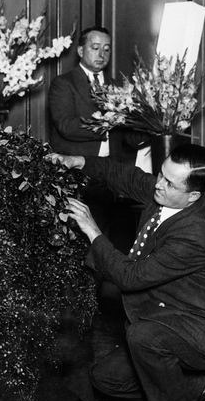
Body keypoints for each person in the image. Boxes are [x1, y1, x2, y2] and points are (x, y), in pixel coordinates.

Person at [47, 144, 205, 401]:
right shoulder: (165, 194)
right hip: (171, 317)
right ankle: (204, 385)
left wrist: (92, 230)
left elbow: (130, 277)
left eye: (169, 183)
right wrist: (78, 161)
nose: (159, 185)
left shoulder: (194, 234)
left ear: (193, 196)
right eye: (161, 175)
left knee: (143, 336)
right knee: (105, 379)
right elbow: (122, 175)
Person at [48, 26, 147, 242]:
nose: (102, 54)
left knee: (112, 238)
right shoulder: (63, 84)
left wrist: (150, 128)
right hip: (78, 173)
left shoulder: (118, 88)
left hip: (112, 174)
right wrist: (107, 123)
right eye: (95, 48)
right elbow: (66, 125)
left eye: (107, 49)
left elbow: (125, 136)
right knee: (79, 240)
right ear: (81, 51)